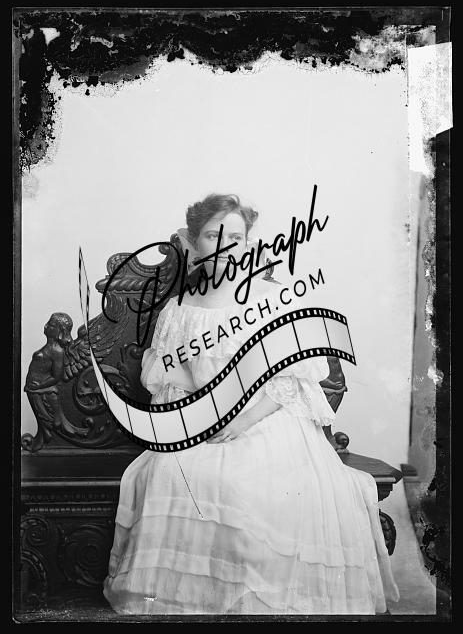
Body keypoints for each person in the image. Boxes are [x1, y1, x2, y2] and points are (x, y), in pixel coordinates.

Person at [103, 194, 399, 615]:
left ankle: (262, 601)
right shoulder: (180, 309)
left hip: (267, 416)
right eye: (213, 236)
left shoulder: (271, 301)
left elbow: (293, 380)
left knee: (251, 484)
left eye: (235, 238)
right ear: (194, 243)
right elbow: (168, 376)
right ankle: (202, 600)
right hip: (203, 420)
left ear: (248, 244)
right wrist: (202, 414)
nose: (224, 248)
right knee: (171, 470)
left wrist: (243, 420)